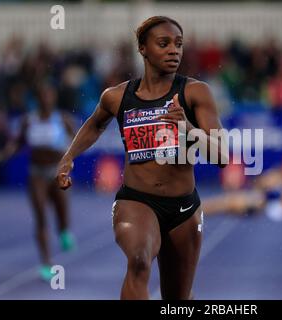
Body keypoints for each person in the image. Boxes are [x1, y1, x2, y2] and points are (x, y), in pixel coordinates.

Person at [56, 16, 227, 300]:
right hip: (136, 201)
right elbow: (95, 124)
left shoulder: (195, 92)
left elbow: (221, 156)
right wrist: (68, 156)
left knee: (177, 298)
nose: (174, 50)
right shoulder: (116, 96)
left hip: (185, 208)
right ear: (143, 49)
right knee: (138, 261)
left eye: (179, 44)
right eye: (164, 44)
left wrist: (188, 128)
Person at [0, 82, 76, 281]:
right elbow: (17, 143)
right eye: (42, 96)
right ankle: (46, 262)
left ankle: (64, 231)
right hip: (37, 173)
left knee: (61, 212)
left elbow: (78, 141)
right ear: (37, 99)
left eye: (49, 95)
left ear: (54, 98)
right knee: (40, 216)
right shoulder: (28, 121)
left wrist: (69, 158)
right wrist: (5, 153)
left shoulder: (62, 119)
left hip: (57, 173)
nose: (46, 99)